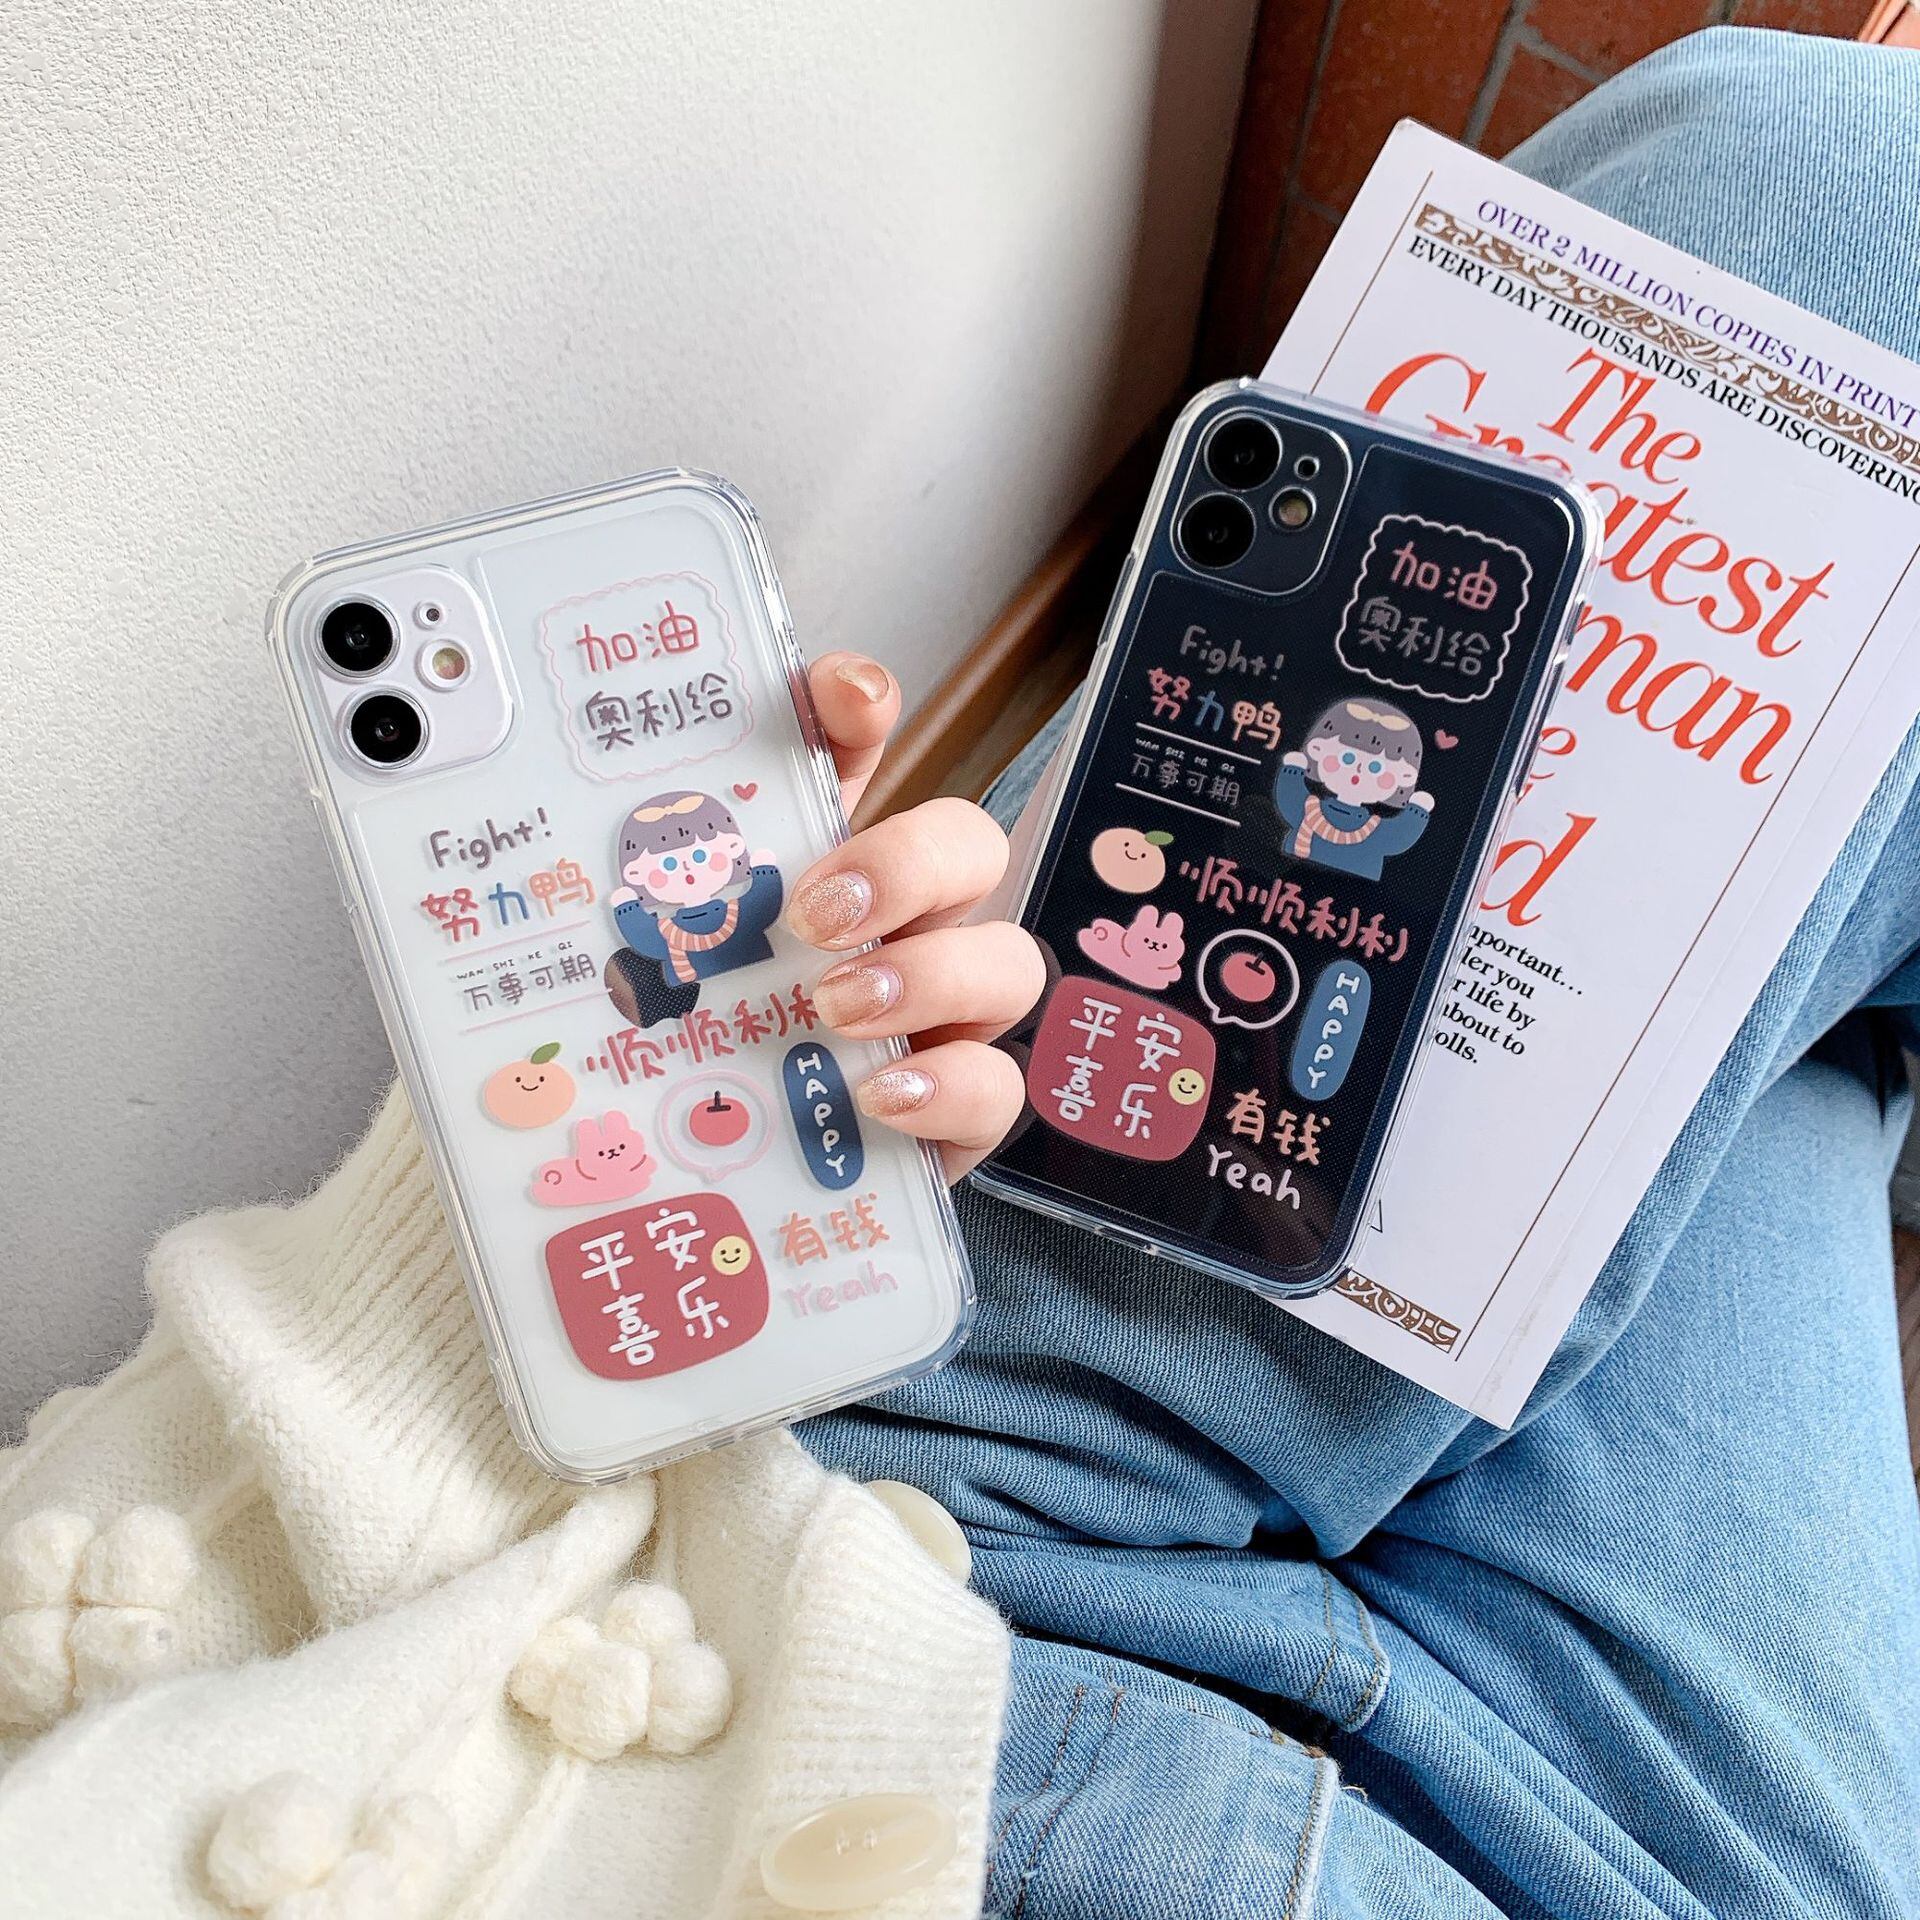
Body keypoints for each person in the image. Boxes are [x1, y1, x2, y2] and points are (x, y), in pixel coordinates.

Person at [2, 28, 1915, 1918]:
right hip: (1584, 1861)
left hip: (777, 1565)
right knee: (1784, 1022)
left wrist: (607, 1134)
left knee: (1836, 186)